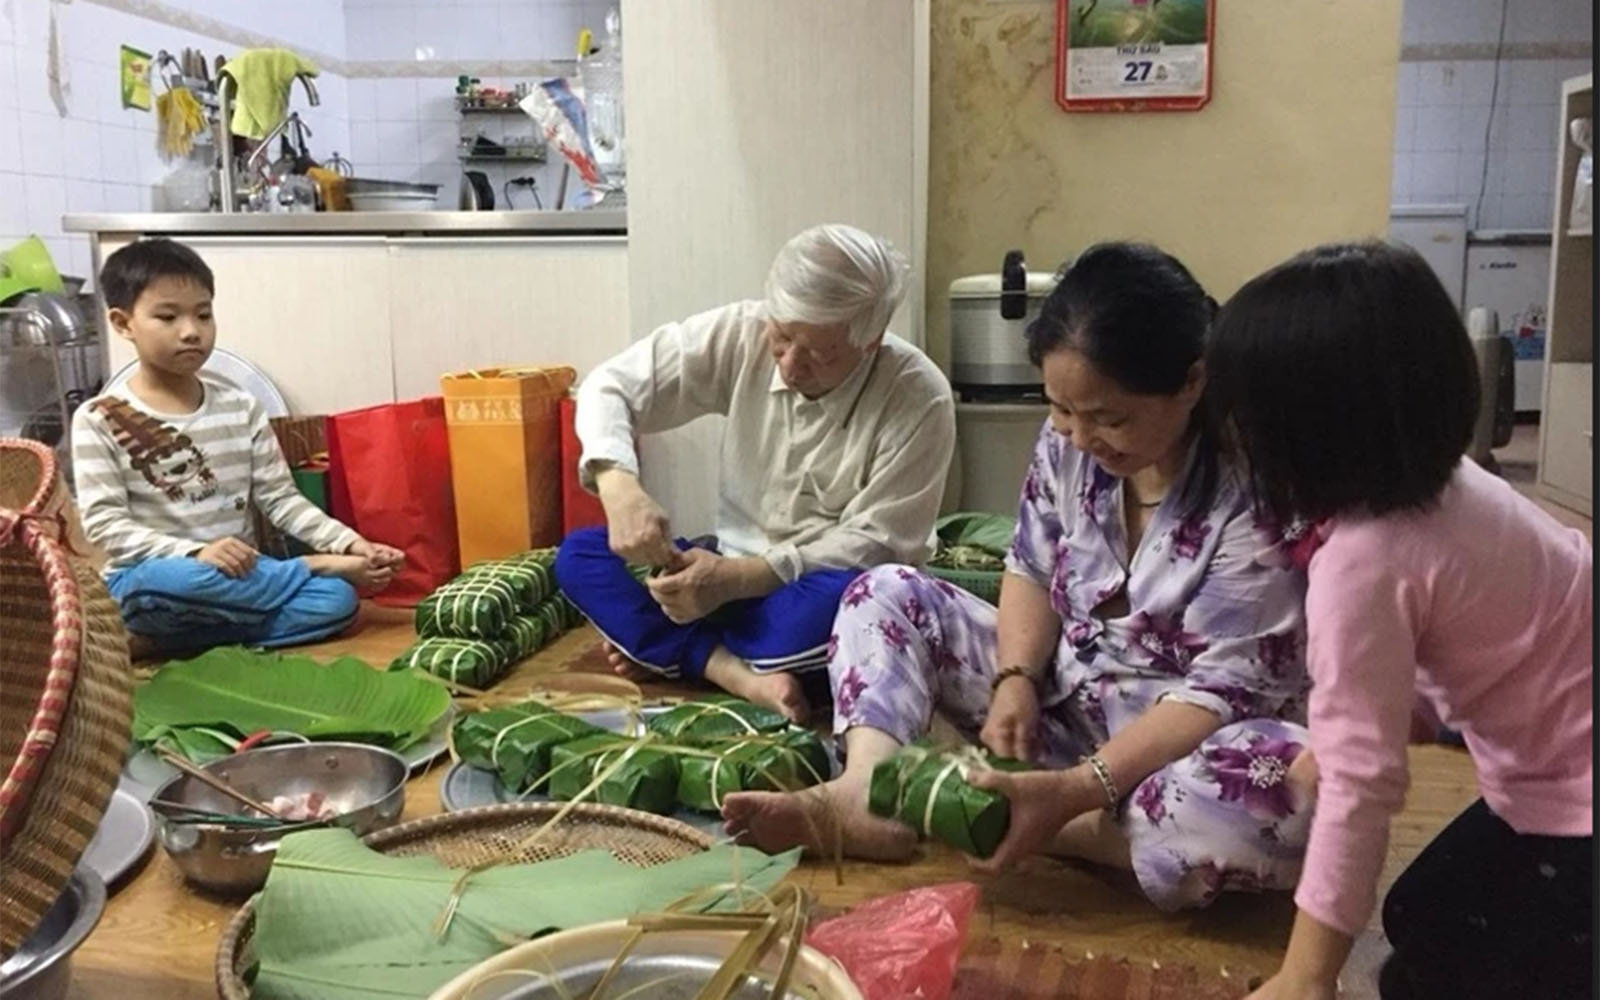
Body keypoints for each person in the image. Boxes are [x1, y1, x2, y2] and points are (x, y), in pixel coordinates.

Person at [724, 241, 1317, 914]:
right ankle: (868, 792)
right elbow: (1030, 567)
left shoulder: (1258, 492)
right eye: (1061, 409)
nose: (1079, 435)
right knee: (883, 592)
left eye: (1109, 417)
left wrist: (1073, 790)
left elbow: (1221, 691)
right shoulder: (1068, 445)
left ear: (1191, 381)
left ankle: (1037, 822)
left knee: (1288, 795)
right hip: (1064, 711)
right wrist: (1015, 680)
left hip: (1181, 751)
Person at [1205, 242, 1592, 1000]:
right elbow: (1472, 627)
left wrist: (1305, 976)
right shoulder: (1450, 479)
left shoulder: (1362, 561)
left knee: (1427, 976)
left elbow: (1362, 789)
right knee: (1421, 920)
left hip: (1577, 801)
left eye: (1243, 421)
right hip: (1561, 759)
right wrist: (1393, 715)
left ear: (1306, 431)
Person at [556, 224, 956, 722]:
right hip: (727, 561)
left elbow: (878, 543)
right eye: (782, 337)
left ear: (870, 341)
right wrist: (619, 484)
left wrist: (742, 580)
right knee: (580, 556)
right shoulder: (741, 333)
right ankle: (733, 672)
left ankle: (669, 649)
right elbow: (609, 385)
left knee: (851, 607)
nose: (790, 365)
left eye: (819, 353)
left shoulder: (919, 396)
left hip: (812, 587)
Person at [72, 238, 405, 656]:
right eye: (168, 316)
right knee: (171, 582)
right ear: (123, 324)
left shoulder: (241, 408)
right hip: (155, 582)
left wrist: (350, 544)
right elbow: (106, 526)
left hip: (240, 582)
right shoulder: (98, 417)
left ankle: (165, 645)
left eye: (203, 314)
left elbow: (281, 499)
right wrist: (195, 551)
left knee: (336, 601)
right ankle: (304, 569)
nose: (191, 331)